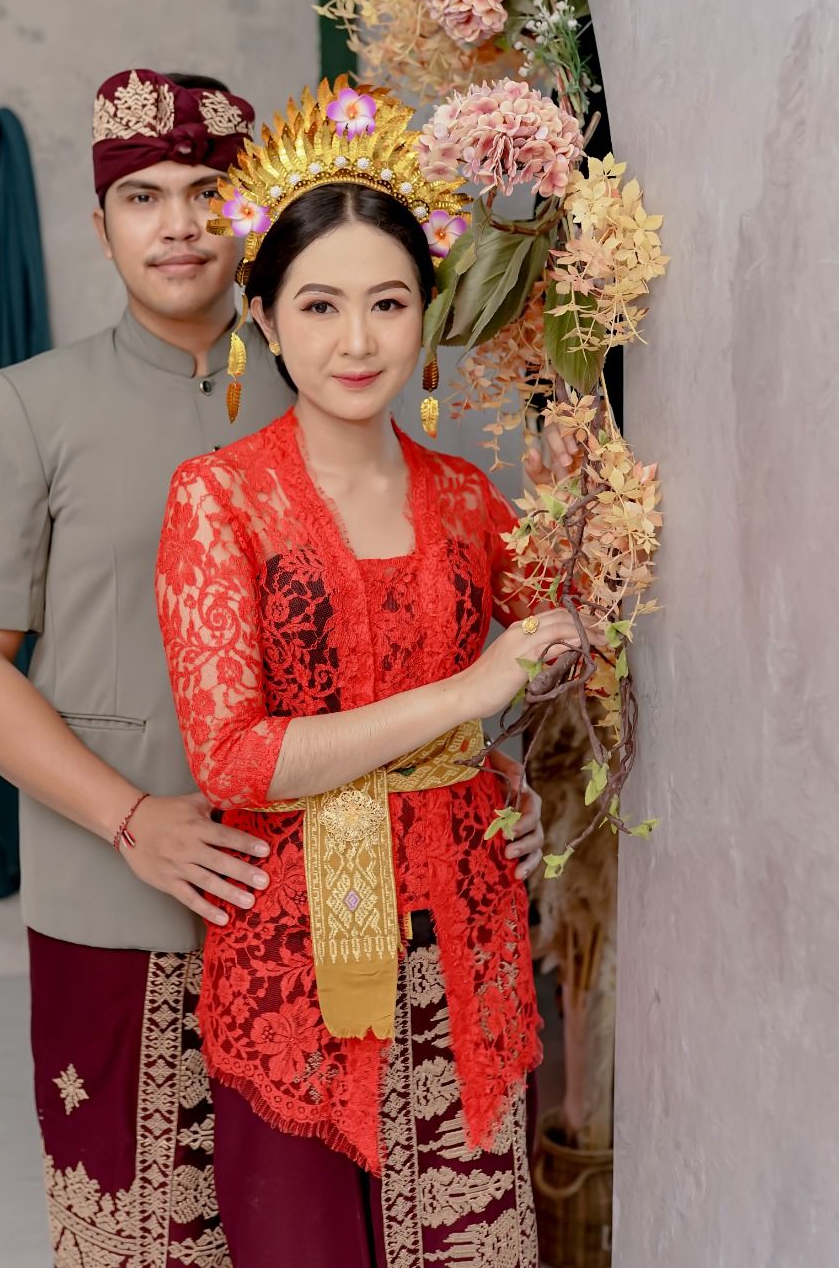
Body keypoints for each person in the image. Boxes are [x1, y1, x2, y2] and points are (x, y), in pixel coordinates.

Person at [156, 80, 586, 1268]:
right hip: (297, 946)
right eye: (320, 304)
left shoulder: (465, 497)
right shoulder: (219, 499)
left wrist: (520, 794)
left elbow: (565, 665)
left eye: (388, 303)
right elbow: (233, 758)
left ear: (426, 313)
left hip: (465, 936)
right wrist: (468, 696)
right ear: (261, 316)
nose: (357, 341)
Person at [0, 69, 298, 1264]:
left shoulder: (329, 382)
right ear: (101, 228)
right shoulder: (32, 406)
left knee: (301, 1227)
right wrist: (131, 819)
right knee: (135, 1231)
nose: (178, 224)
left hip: (308, 881)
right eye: (143, 198)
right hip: (110, 886)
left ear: (253, 211)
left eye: (206, 192)